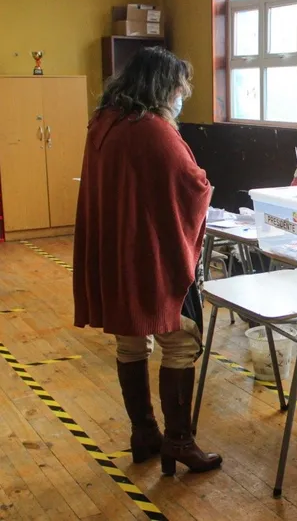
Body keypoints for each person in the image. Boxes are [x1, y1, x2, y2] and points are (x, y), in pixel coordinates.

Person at [73, 47, 222, 475]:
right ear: (162, 86)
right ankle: (179, 441)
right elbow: (193, 183)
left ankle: (144, 433)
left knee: (131, 339)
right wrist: (204, 188)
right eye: (179, 88)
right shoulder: (153, 128)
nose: (181, 96)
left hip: (115, 250)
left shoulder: (104, 121)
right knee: (182, 340)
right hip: (149, 252)